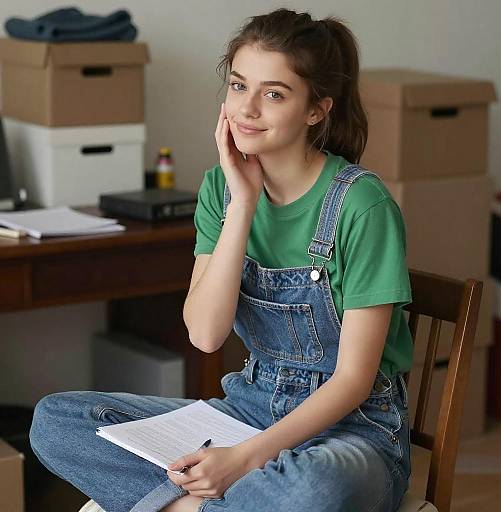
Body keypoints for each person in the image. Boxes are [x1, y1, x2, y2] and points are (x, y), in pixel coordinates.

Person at [29, 8, 413, 512]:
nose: (247, 108)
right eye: (238, 86)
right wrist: (243, 204)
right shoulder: (220, 189)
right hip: (248, 408)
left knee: (313, 491)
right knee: (56, 420)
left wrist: (243, 460)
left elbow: (352, 382)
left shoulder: (363, 205)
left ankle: (192, 504)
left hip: (352, 433)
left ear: (317, 110)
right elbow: (206, 334)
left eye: (274, 94)